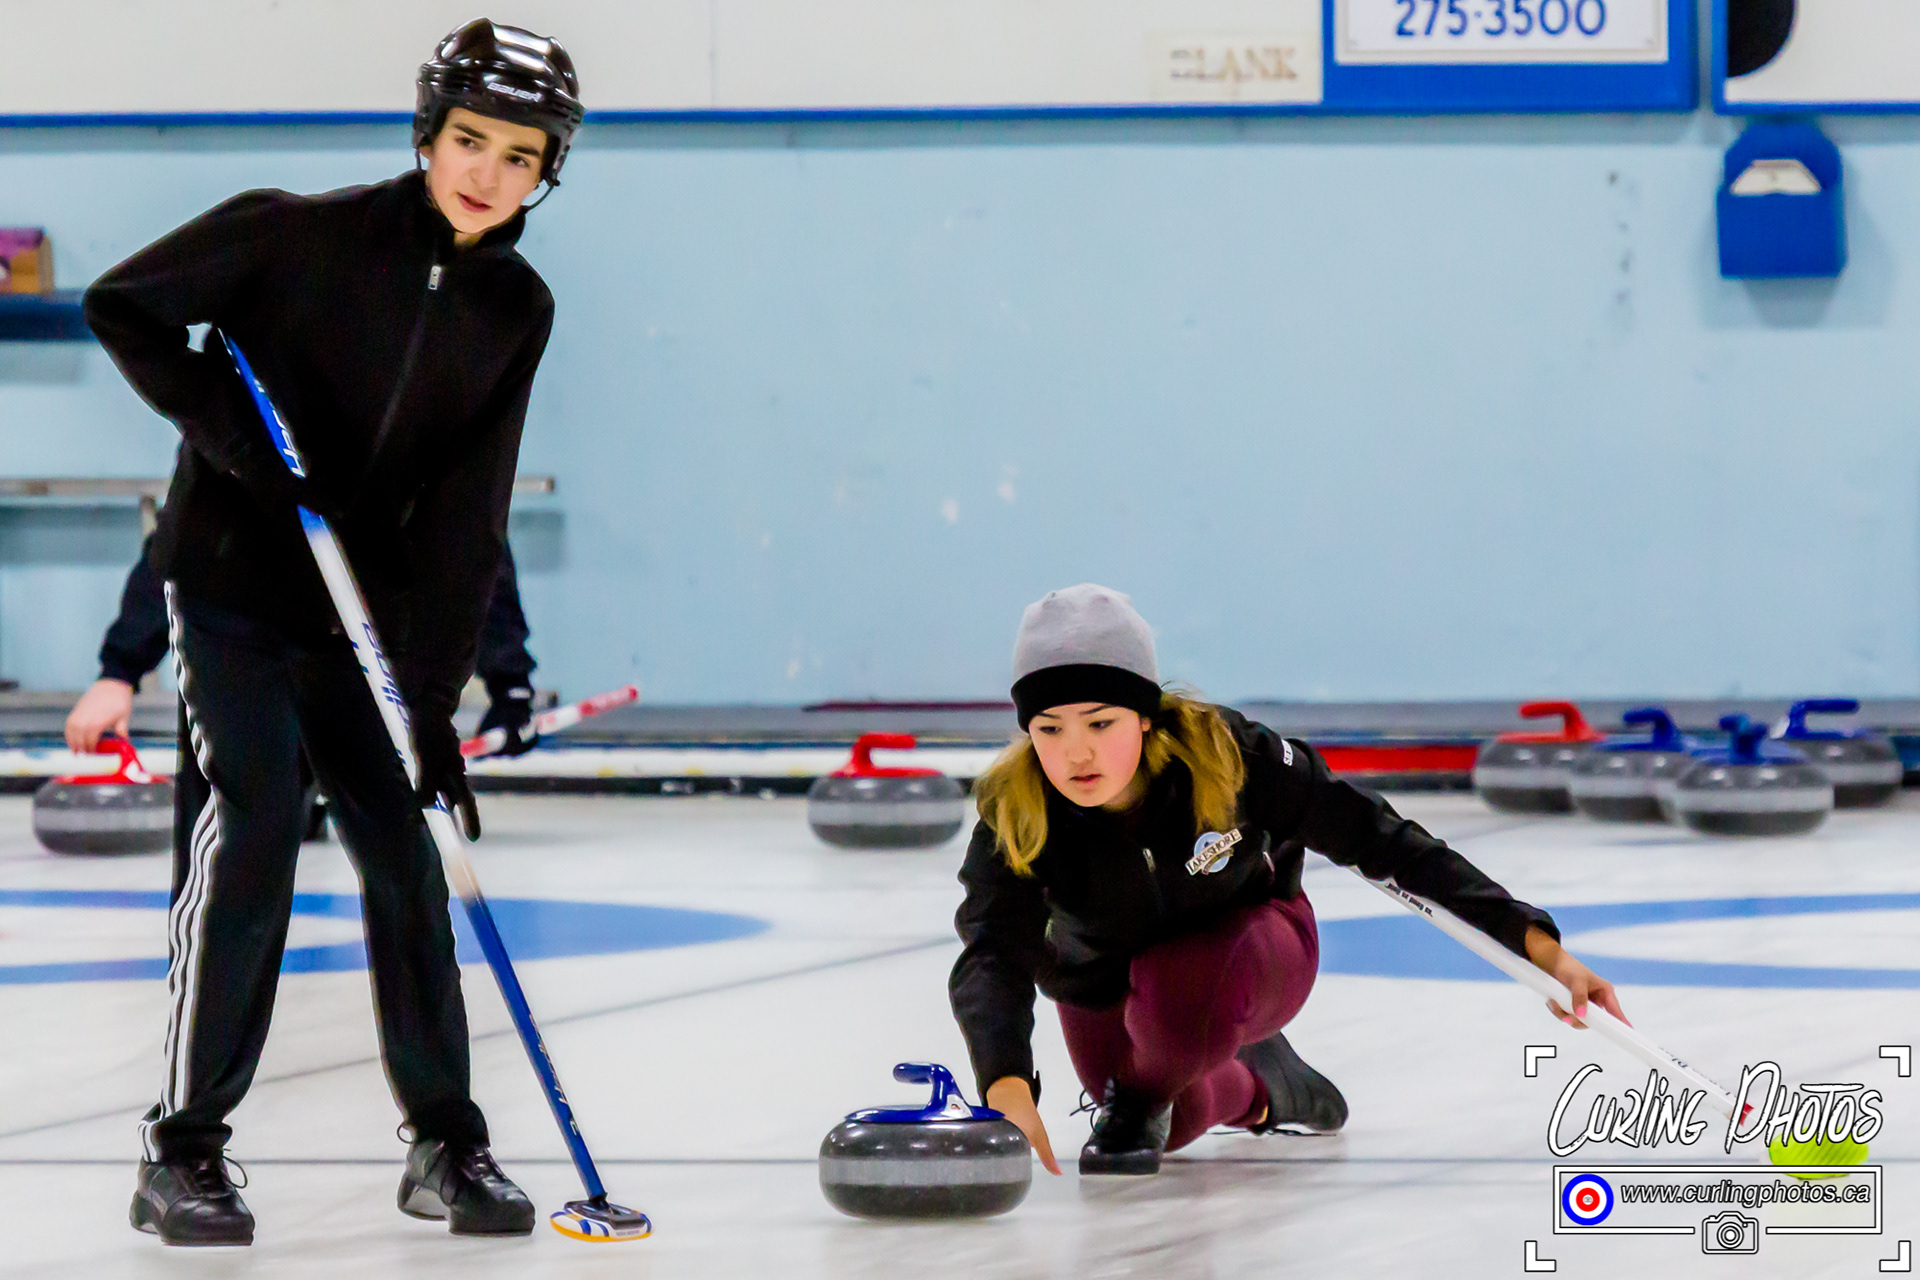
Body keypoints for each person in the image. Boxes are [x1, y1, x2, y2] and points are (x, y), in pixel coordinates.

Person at [81, 18, 581, 1247]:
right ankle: (182, 1149)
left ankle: (446, 1141)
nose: (488, 173)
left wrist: (435, 711)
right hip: (235, 595)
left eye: (521, 156)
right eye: (470, 140)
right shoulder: (293, 234)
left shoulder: (516, 308)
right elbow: (122, 306)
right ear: (428, 134)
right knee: (254, 822)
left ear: (546, 173)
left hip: (370, 621)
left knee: (407, 846)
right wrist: (239, 444)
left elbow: (467, 518)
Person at [949, 584, 1627, 1176]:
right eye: (1050, 729)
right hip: (1104, 978)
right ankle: (1268, 1089)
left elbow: (1383, 838)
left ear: (1145, 716)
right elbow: (992, 952)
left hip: (1256, 947)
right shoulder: (1018, 810)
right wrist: (1005, 1081)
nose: (1077, 752)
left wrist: (1539, 946)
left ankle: (1179, 1065)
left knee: (1175, 1014)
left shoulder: (1229, 756)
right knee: (1171, 1119)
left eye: (1100, 722)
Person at [65, 534, 544, 765]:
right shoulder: (252, 400)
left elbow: (474, 546)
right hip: (265, 656)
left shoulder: (421, 408)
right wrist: (119, 673)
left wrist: (512, 687)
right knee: (251, 837)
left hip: (374, 663)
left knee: (403, 858)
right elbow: (184, 540)